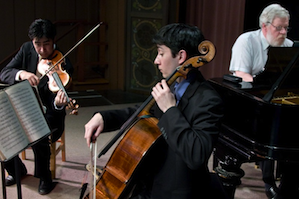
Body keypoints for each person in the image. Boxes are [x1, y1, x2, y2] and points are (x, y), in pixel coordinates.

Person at [84, 23, 224, 198]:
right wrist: (104, 117)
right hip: (146, 178)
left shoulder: (208, 99)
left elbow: (196, 154)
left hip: (175, 191)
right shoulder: (171, 83)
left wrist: (170, 110)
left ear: (181, 56)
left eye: (161, 53)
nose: (156, 60)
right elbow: (142, 112)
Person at [229, 4, 298, 199]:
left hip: (276, 102)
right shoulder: (246, 41)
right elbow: (242, 74)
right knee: (274, 123)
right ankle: (269, 180)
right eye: (279, 27)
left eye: (286, 27)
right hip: (250, 101)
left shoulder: (288, 45)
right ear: (264, 25)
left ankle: (287, 180)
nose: (284, 32)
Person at [0, 19, 73, 195]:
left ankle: (45, 177)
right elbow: (4, 72)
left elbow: (59, 106)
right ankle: (16, 170)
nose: (41, 50)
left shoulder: (63, 63)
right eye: (37, 44)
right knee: (1, 131)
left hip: (50, 117)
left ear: (53, 41)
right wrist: (22, 73)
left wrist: (58, 103)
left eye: (46, 44)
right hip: (23, 110)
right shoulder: (26, 49)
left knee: (39, 135)